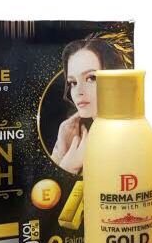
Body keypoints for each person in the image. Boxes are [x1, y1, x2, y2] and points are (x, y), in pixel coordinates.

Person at [52, 35, 130, 174]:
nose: (78, 92)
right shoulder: (69, 132)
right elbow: (47, 185)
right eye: (73, 83)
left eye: (91, 78)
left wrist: (69, 167)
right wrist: (65, 162)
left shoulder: (131, 134)